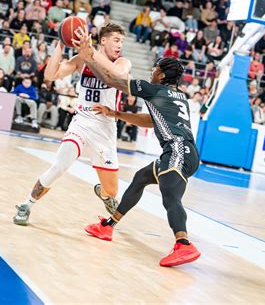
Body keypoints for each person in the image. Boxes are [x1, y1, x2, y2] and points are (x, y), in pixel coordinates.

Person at [73, 27, 201, 267]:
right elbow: (150, 120)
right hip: (182, 152)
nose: (152, 71)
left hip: (177, 151)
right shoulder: (177, 96)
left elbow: (113, 79)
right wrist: (116, 114)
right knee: (141, 178)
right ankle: (108, 226)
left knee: (170, 197)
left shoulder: (154, 89)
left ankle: (183, 244)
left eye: (156, 69)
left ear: (162, 76)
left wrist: (89, 52)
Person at [13, 23, 132, 225]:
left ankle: (103, 195)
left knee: (112, 191)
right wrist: (61, 44)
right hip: (82, 123)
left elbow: (118, 75)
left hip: (105, 129)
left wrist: (90, 53)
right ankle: (27, 204)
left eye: (121, 41)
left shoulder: (122, 62)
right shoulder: (80, 60)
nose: (120, 44)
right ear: (103, 40)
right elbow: (50, 75)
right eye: (116, 40)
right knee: (59, 166)